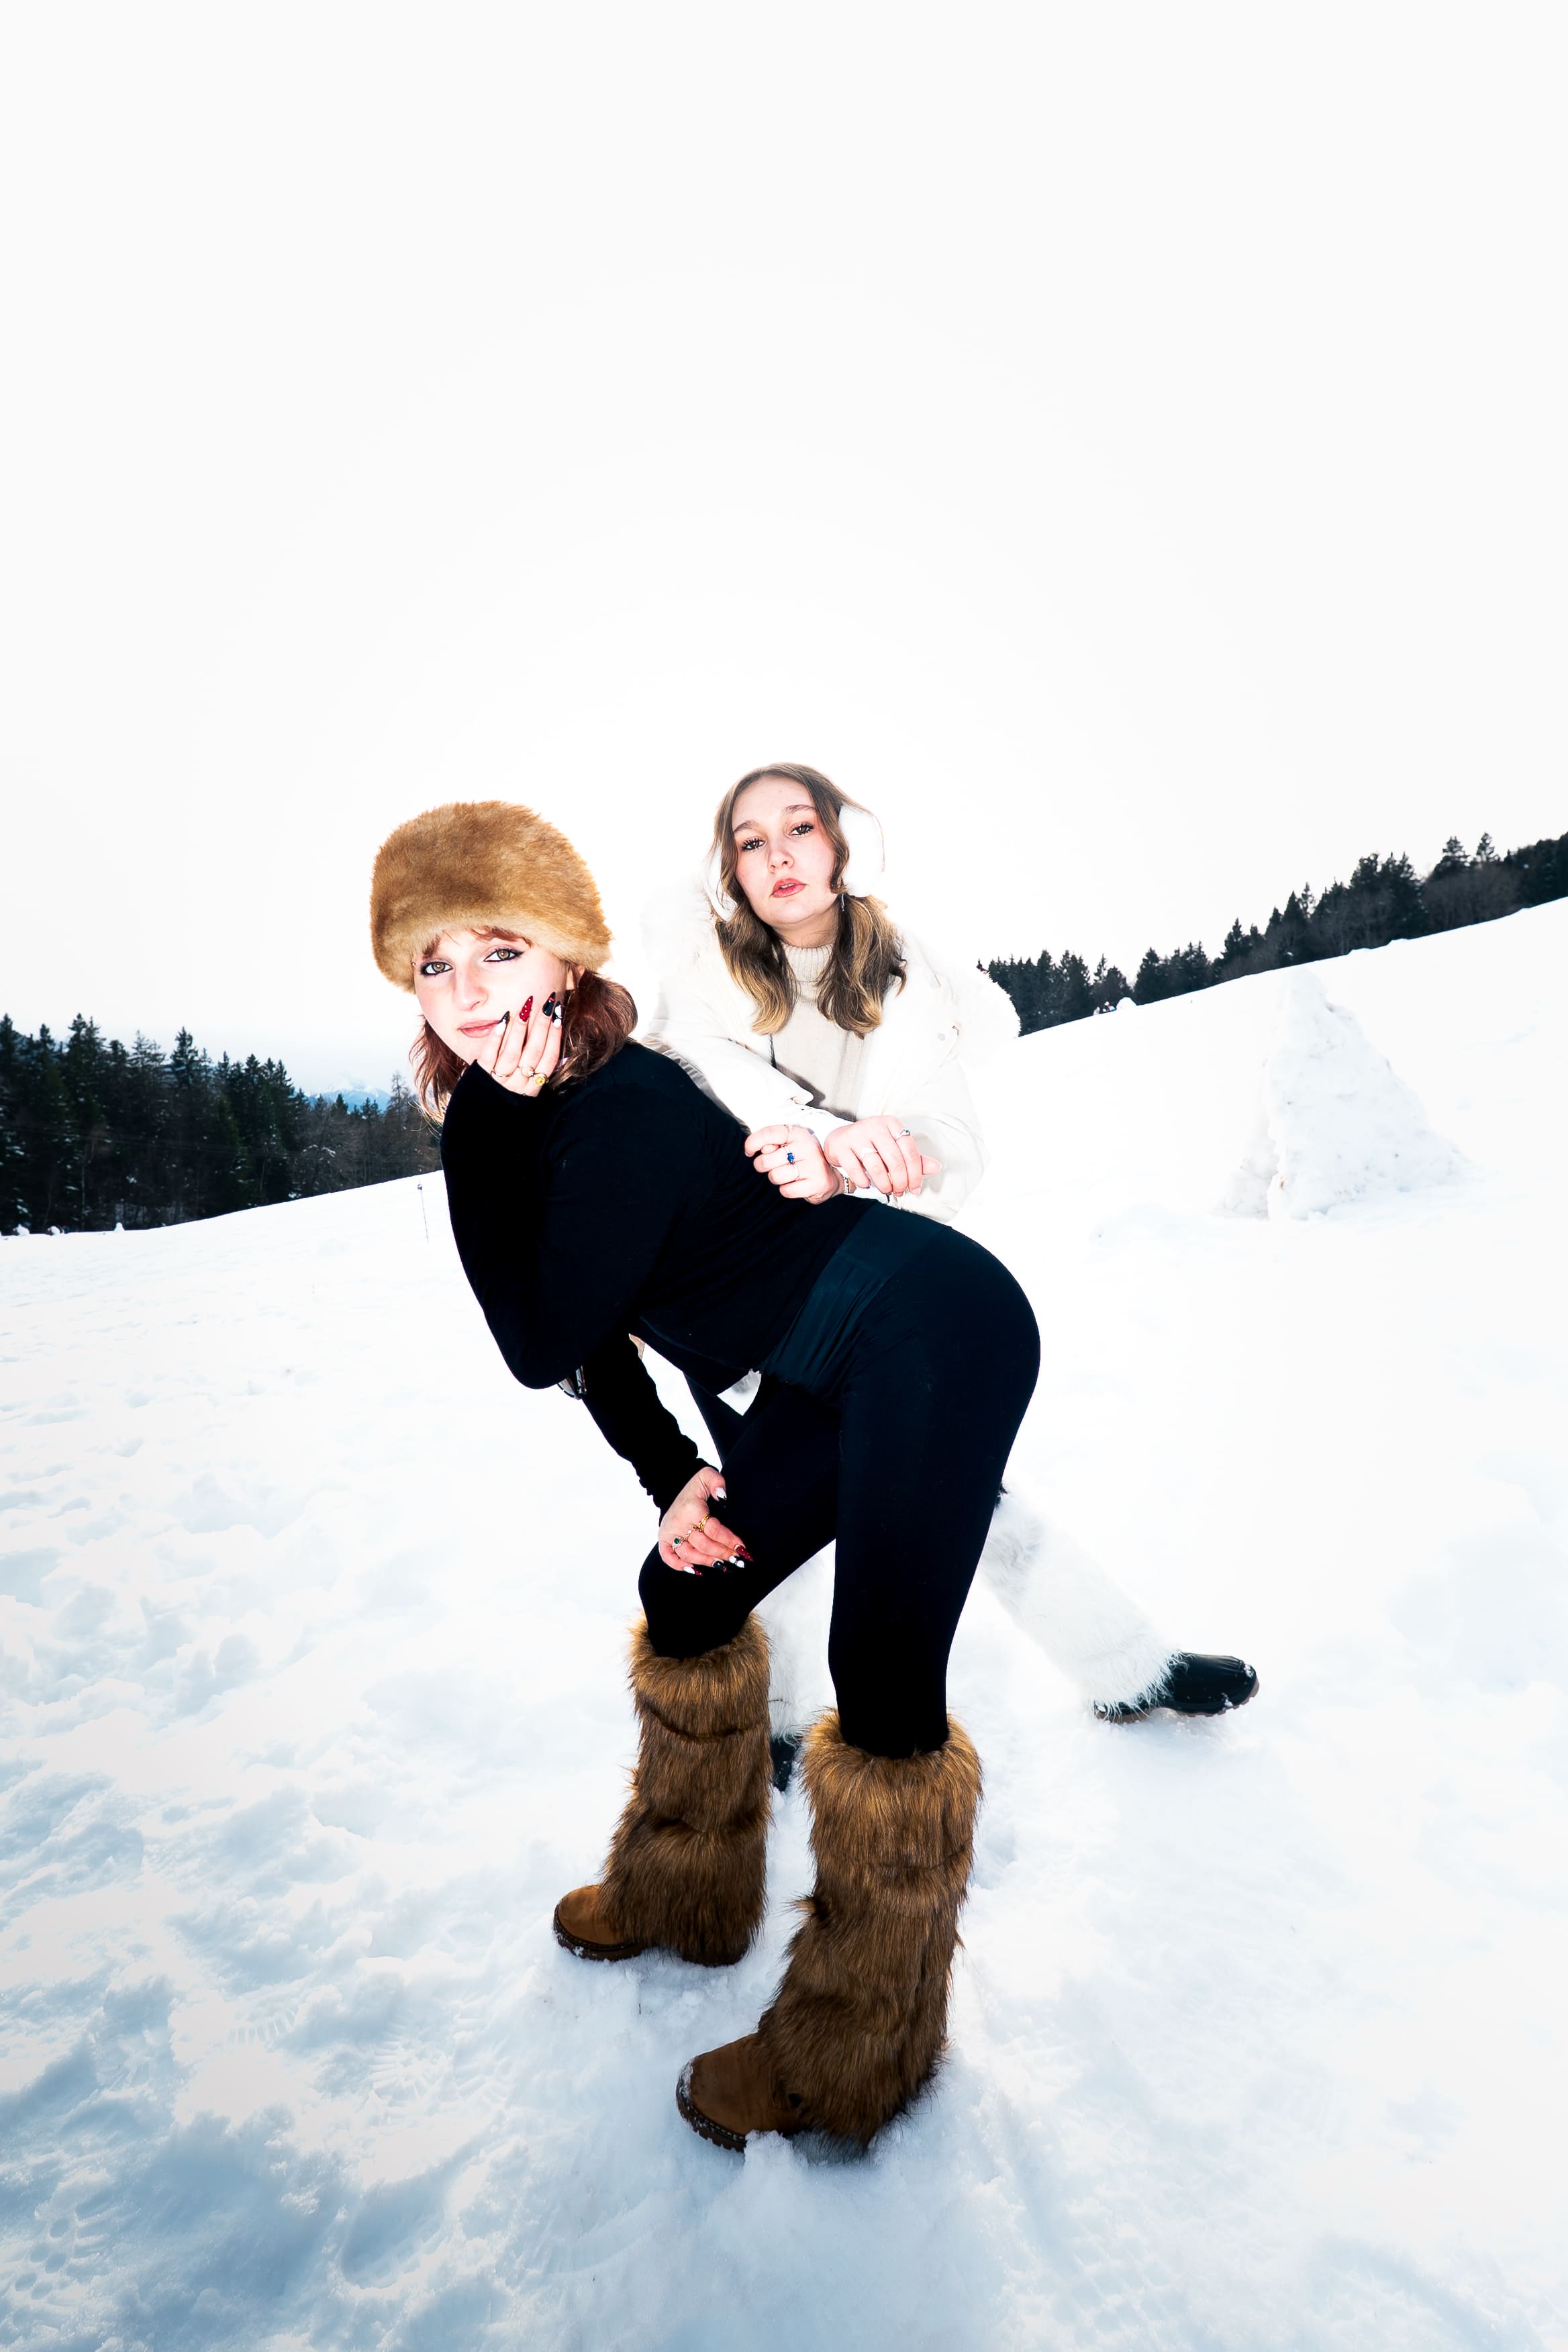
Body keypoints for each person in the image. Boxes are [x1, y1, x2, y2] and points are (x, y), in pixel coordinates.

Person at [369, 797, 1040, 2153]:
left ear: (565, 958)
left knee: (885, 1684)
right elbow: (586, 1343)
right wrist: (670, 1473)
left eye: (497, 950)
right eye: (431, 965)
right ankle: (684, 1889)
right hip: (818, 1370)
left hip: (932, 1331)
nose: (464, 991)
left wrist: (491, 1141)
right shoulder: (498, 1121)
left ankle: (854, 2046)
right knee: (683, 1599)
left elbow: (542, 1337)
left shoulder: (613, 1108)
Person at [643, 763, 1258, 1734]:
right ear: (732, 873)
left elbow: (954, 1146)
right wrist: (807, 1136)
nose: (779, 856)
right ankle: (790, 1723)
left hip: (879, 1297)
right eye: (750, 842)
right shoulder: (695, 992)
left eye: (799, 827)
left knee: (956, 1490)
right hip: (745, 1318)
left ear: (843, 844)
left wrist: (889, 1160)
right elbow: (692, 1123)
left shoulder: (909, 979)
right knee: (783, 1522)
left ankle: (1128, 1670)